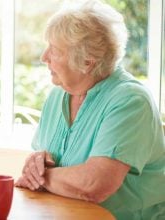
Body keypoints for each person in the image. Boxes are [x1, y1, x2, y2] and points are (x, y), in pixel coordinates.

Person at [15, 0, 165, 219]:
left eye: (55, 51)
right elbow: (54, 158)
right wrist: (37, 161)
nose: (43, 57)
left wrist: (43, 177)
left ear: (87, 62)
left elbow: (95, 185)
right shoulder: (58, 94)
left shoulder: (130, 101)